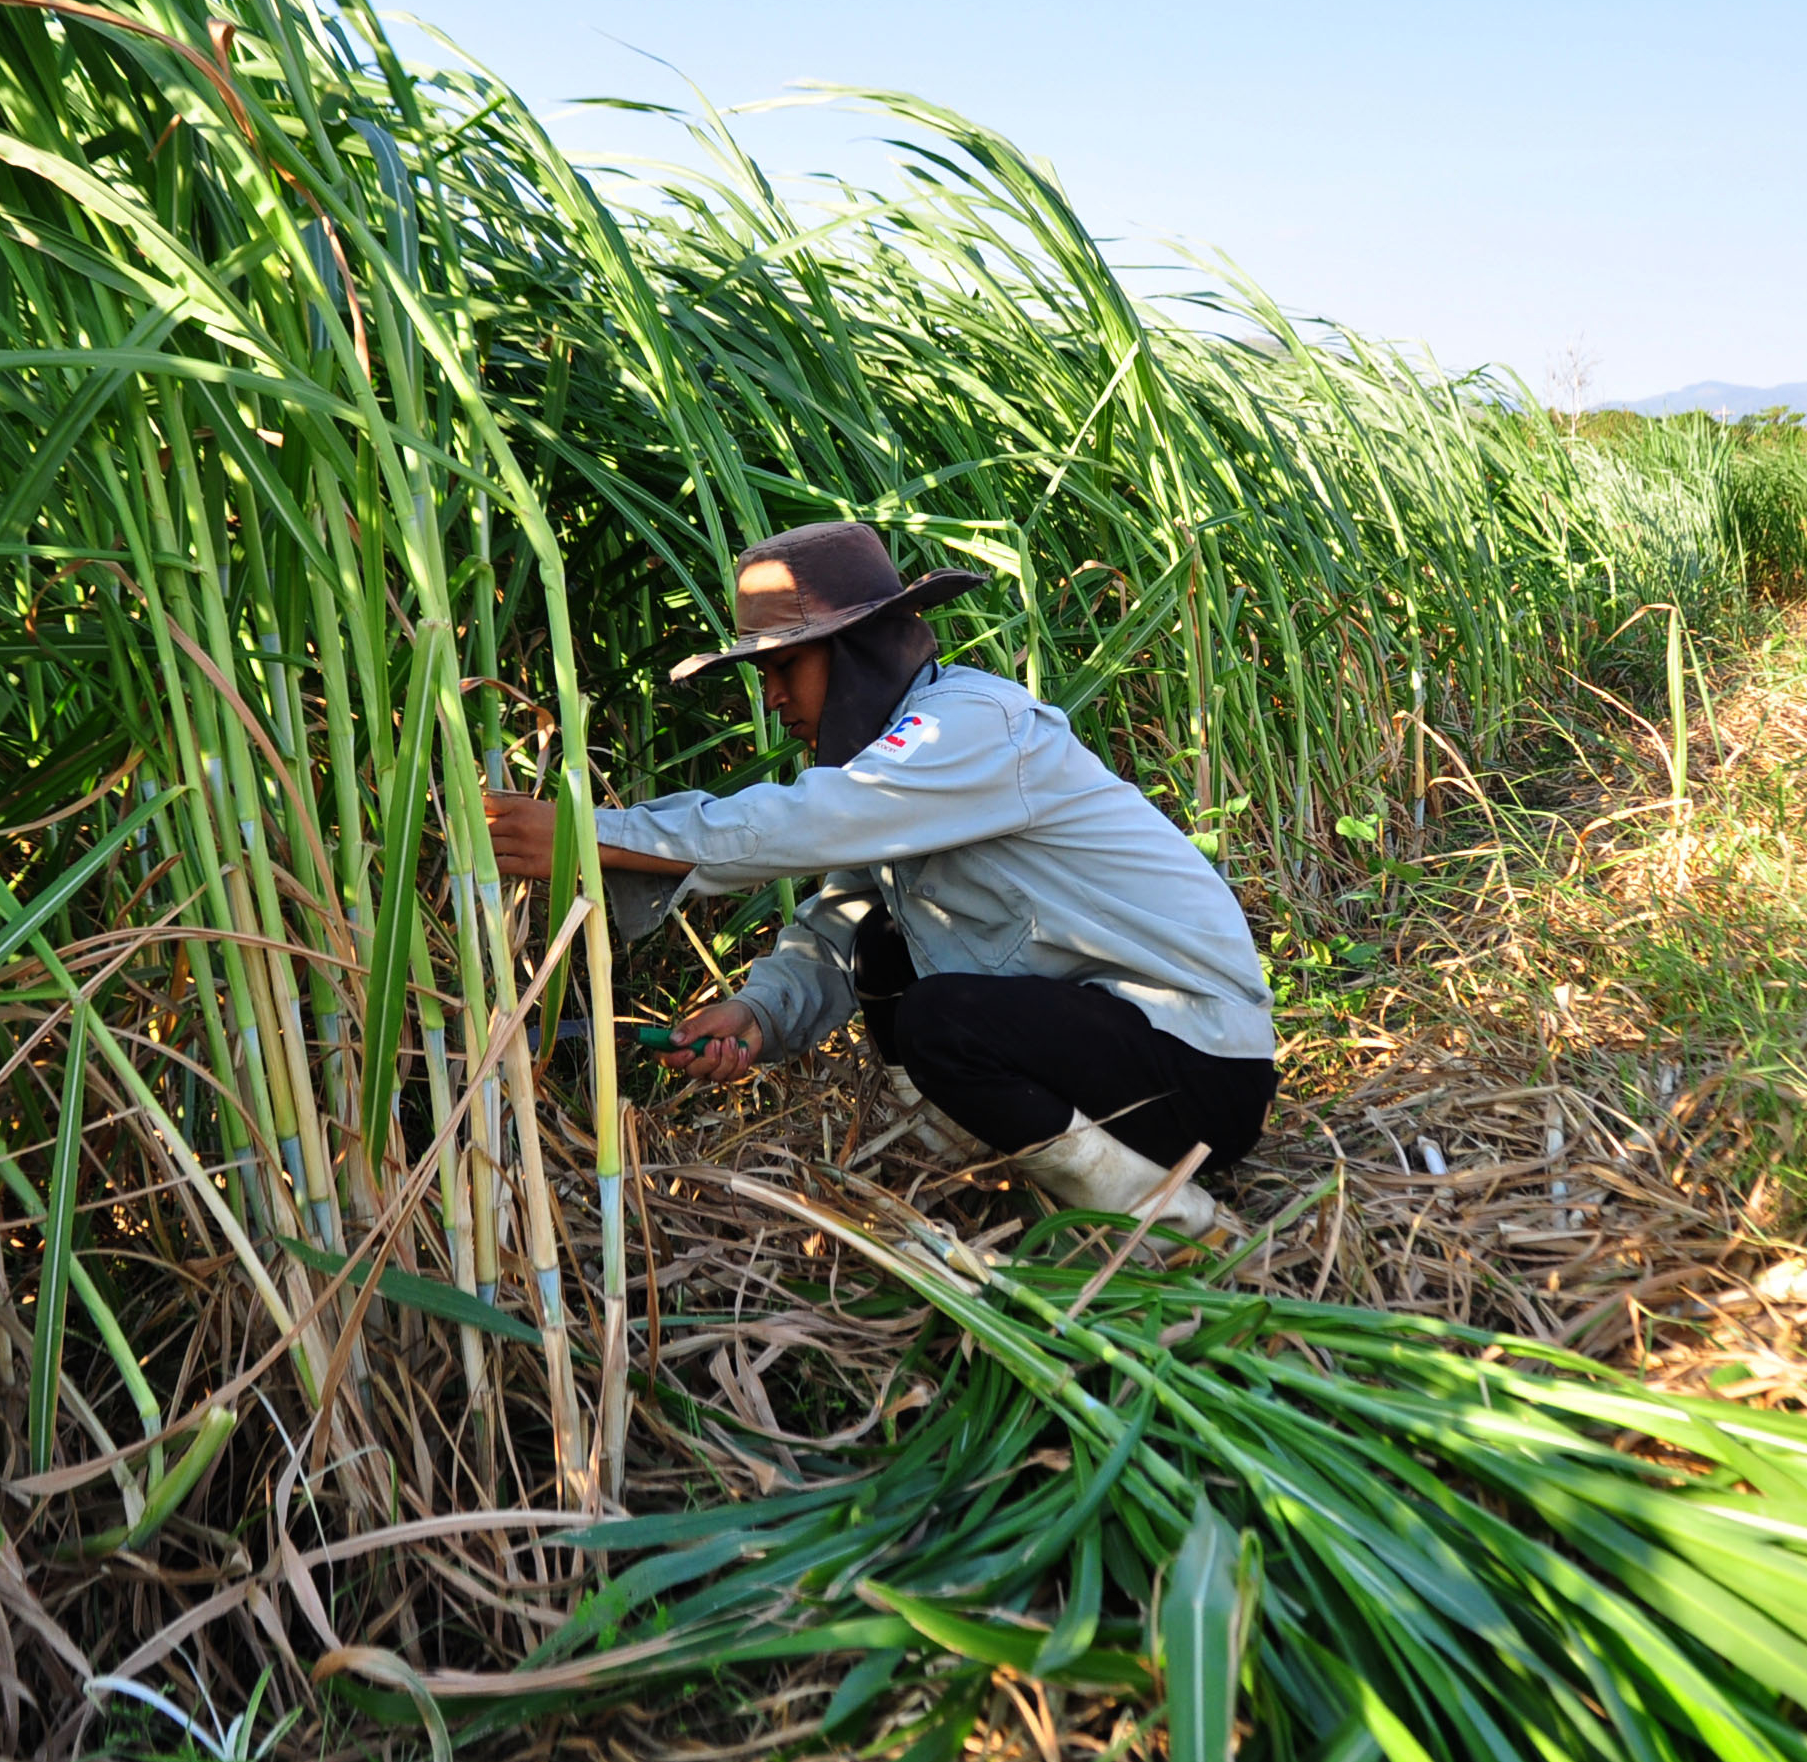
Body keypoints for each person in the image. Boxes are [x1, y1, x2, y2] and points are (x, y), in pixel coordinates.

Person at [484, 521, 1276, 1237]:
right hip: (1117, 1058)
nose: (774, 699)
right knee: (882, 946)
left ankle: (1173, 1225)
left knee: (942, 1017)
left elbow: (809, 819)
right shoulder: (903, 772)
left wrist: (595, 836)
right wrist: (759, 1015)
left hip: (1199, 1071)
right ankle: (974, 1152)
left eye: (786, 666)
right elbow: (837, 928)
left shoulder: (968, 726)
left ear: (857, 650)